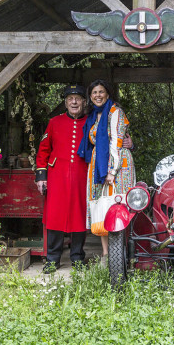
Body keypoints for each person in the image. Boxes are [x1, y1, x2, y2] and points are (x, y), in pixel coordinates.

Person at [35, 84, 133, 273]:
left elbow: (113, 136)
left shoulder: (91, 121)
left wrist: (130, 142)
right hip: (57, 176)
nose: (74, 102)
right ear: (65, 102)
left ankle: (77, 257)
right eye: (70, 99)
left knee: (79, 217)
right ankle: (52, 259)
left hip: (82, 175)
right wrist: (41, 176)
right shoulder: (54, 122)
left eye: (78, 99)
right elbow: (44, 149)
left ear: (84, 102)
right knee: (54, 217)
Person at [78, 79, 136, 266]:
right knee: (102, 208)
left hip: (116, 166)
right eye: (94, 93)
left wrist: (111, 171)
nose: (97, 96)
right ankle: (106, 256)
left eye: (101, 92)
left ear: (108, 94)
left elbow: (116, 143)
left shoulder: (115, 112)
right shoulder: (94, 116)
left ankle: (121, 254)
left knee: (116, 207)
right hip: (98, 165)